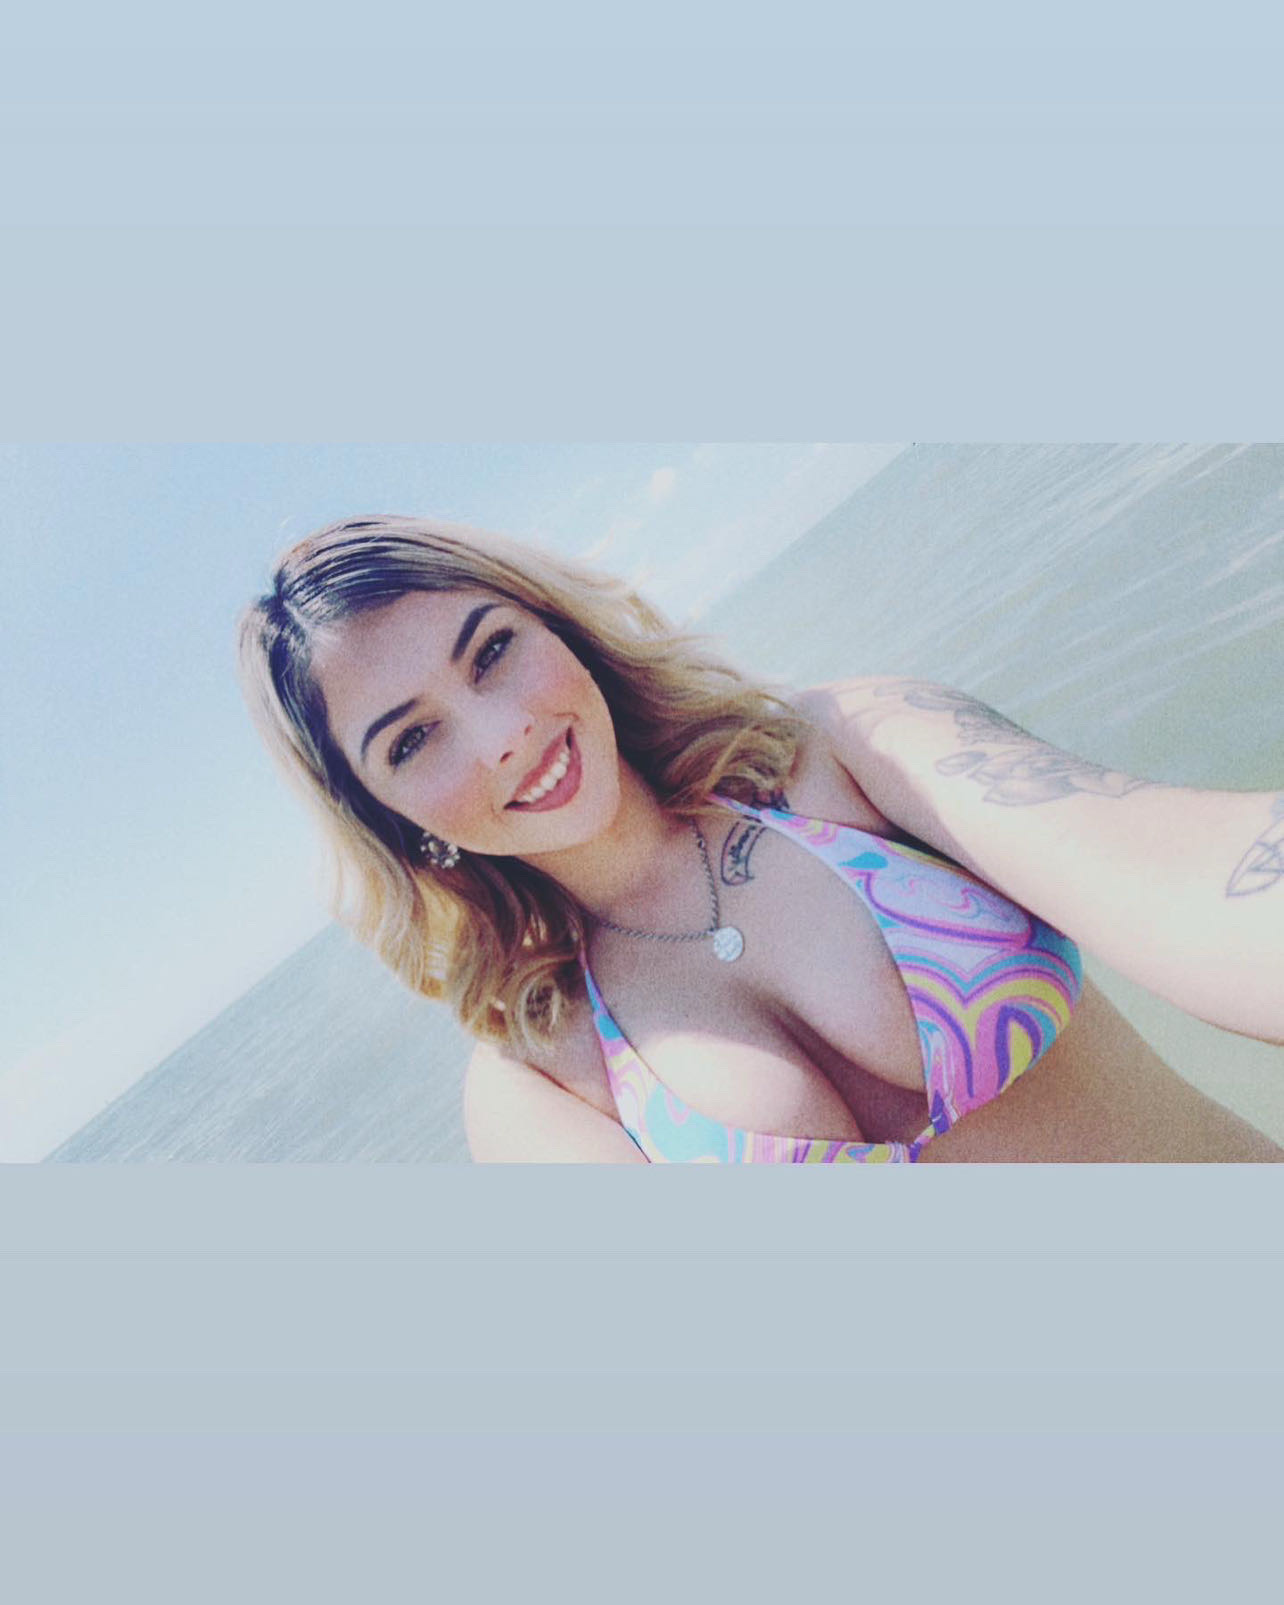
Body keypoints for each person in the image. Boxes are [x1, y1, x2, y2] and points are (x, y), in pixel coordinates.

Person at [238, 515, 1282, 1163]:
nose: (500, 735)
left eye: (494, 650)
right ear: (391, 820)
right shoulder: (540, 1084)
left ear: (557, 625)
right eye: (413, 739)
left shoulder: (849, 751)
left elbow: (1191, 886)